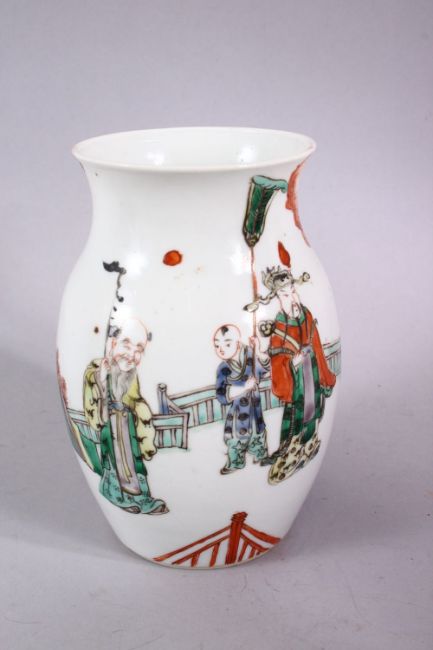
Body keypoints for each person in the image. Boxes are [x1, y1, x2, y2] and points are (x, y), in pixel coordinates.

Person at [257, 259, 336, 484]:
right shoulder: (278, 328)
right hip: (297, 382)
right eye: (285, 294)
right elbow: (277, 360)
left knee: (314, 411)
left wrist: (325, 376)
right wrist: (292, 363)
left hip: (313, 373)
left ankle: (308, 444)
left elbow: (317, 345)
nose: (292, 298)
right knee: (296, 418)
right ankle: (290, 453)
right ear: (277, 298)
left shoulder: (306, 315)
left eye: (293, 291)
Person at [83, 318, 168, 514]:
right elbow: (93, 398)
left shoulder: (131, 374)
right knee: (115, 460)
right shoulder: (98, 369)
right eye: (126, 346)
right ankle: (116, 495)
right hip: (110, 423)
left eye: (139, 350)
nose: (131, 355)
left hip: (127, 424)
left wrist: (142, 416)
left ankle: (141, 498)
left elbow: (135, 400)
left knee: (132, 461)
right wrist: (101, 378)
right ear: (112, 343)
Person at [213, 324, 269, 474]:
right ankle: (235, 462)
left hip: (254, 408)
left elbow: (266, 368)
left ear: (238, 343)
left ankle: (260, 456)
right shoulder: (223, 368)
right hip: (238, 413)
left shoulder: (251, 354)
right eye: (217, 345)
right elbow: (221, 395)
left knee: (258, 434)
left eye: (227, 344)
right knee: (236, 439)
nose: (221, 349)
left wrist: (258, 350)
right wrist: (244, 388)